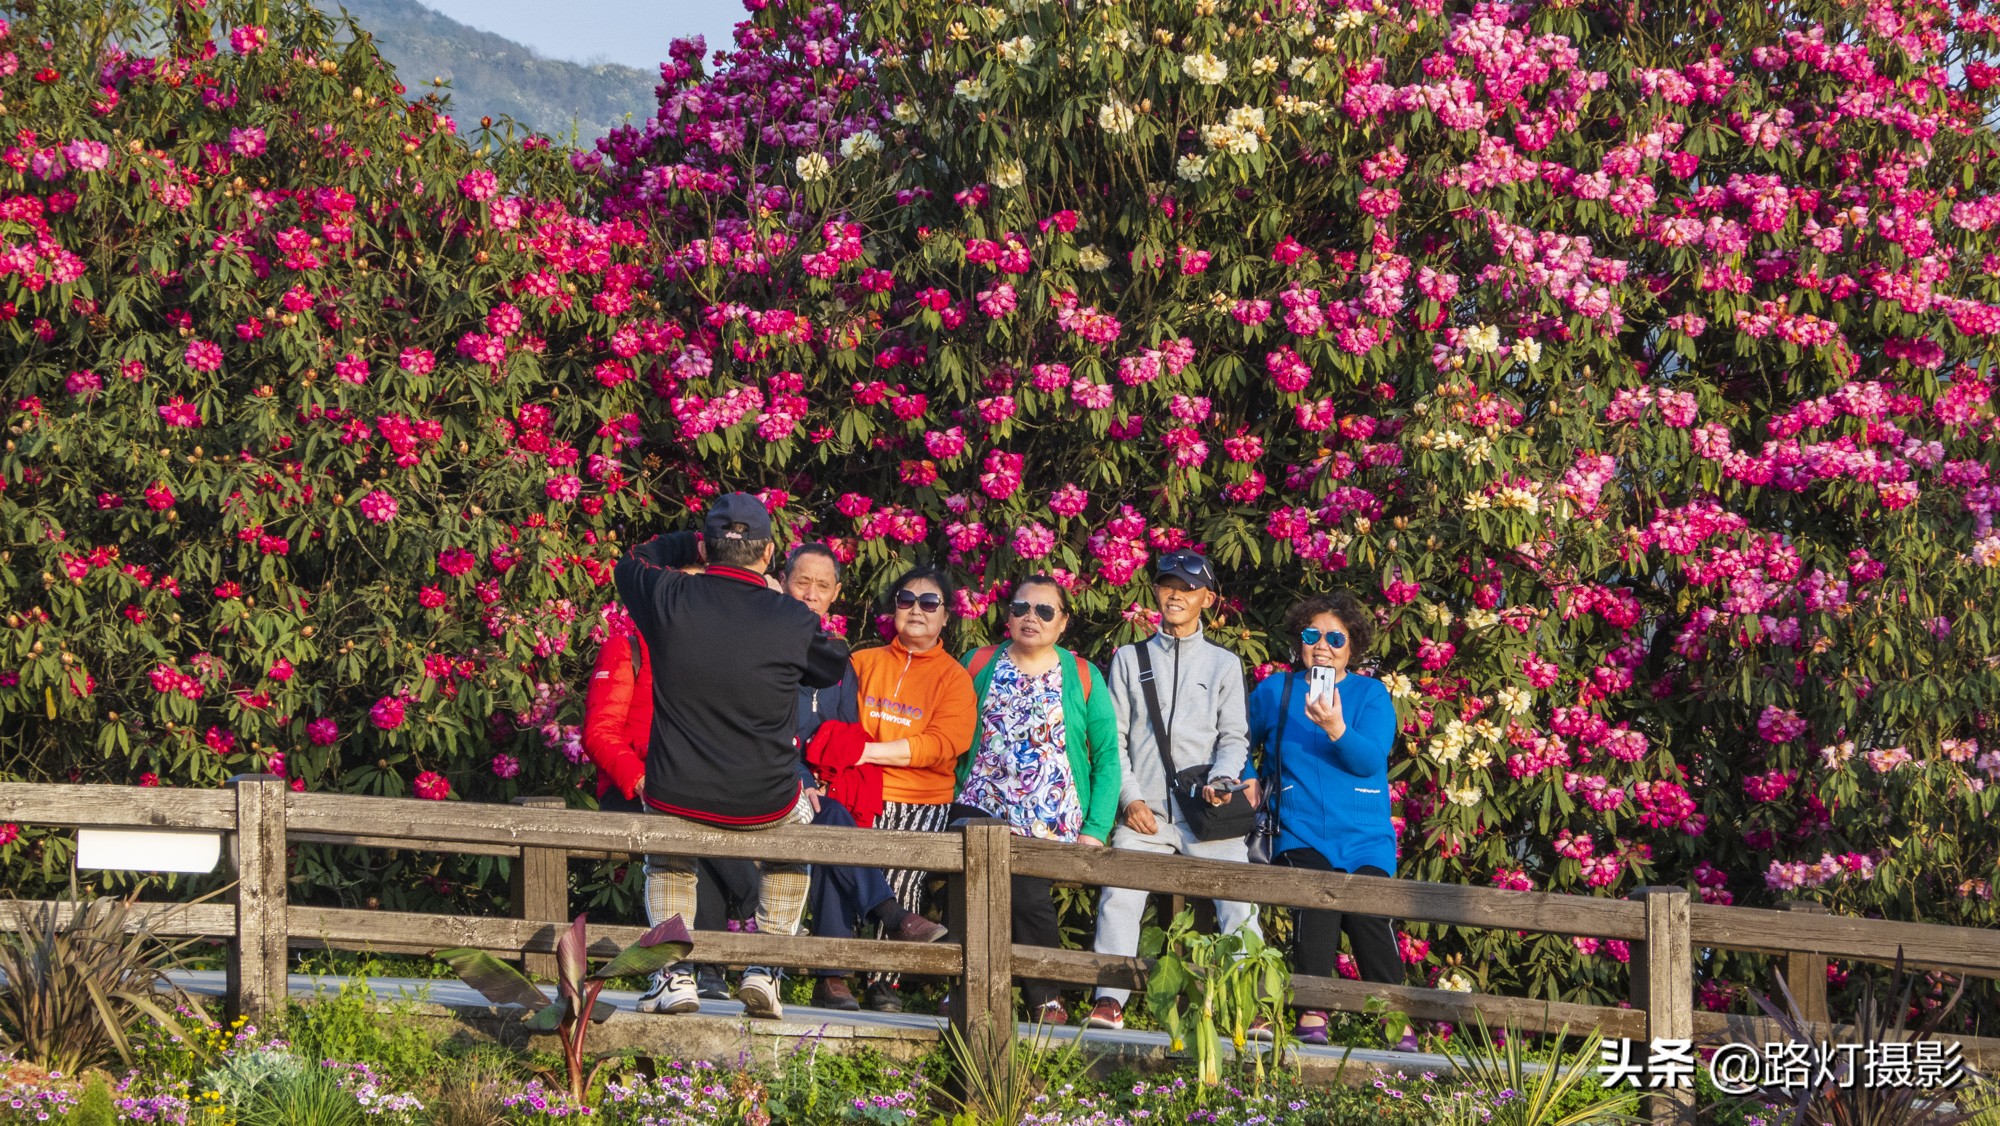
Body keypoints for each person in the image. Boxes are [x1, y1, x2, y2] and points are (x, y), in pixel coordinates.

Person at [612, 492, 851, 1021]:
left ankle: (672, 977)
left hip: (678, 790)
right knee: (794, 842)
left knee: (668, 859)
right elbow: (832, 664)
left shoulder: (668, 595)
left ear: (707, 547)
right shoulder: (790, 617)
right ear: (769, 555)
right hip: (764, 798)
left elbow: (632, 561)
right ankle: (765, 969)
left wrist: (688, 544)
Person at [1085, 551, 1265, 1036]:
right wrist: (1130, 800)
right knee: (1119, 896)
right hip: (1145, 816)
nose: (1176, 595)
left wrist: (1222, 782)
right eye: (1168, 585)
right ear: (1156, 592)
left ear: (1208, 598)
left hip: (1207, 816)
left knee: (1240, 903)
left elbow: (1234, 738)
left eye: (1188, 588)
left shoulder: (1225, 663)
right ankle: (1109, 999)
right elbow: (1114, 739)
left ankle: (1251, 1005)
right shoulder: (1129, 658)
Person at [780, 544, 950, 1012]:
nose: (811, 594)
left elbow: (843, 734)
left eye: (822, 585)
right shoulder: (764, 644)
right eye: (802, 582)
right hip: (772, 779)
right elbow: (762, 731)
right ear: (783, 581)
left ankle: (833, 978)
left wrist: (827, 777)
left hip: (822, 789)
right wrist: (802, 776)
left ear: (836, 593)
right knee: (833, 821)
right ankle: (888, 918)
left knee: (833, 822)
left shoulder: (840, 660)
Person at [953, 574, 1120, 1025]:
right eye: (1021, 608)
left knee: (1028, 898)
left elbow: (1107, 755)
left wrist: (1096, 829)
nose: (1031, 618)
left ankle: (1044, 995)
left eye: (1045, 611)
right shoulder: (977, 662)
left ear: (1062, 623)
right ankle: (966, 992)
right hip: (979, 801)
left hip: (1051, 814)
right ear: (1007, 616)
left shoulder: (1082, 674)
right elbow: (950, 729)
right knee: (970, 893)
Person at [580, 612, 760, 1003]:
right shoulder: (627, 650)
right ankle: (749, 915)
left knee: (698, 821)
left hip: (696, 793)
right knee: (693, 825)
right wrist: (645, 782)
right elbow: (599, 732)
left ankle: (703, 969)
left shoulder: (711, 655)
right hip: (633, 791)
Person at [1247, 590, 1401, 1046]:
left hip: (1364, 837)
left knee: (1370, 915)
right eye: (1313, 635)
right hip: (1300, 831)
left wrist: (1335, 726)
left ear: (1352, 646)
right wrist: (1247, 778)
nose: (1323, 646)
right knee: (1317, 902)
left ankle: (1394, 1018)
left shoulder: (1371, 694)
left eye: (1336, 638)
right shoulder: (1276, 690)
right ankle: (1312, 1009)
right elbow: (1235, 740)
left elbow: (1369, 761)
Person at [847, 565, 979, 1012]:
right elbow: (838, 722)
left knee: (901, 879)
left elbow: (942, 745)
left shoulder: (954, 678)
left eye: (929, 602)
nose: (916, 610)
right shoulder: (863, 662)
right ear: (894, 610)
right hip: (859, 789)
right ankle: (835, 972)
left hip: (920, 797)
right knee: (841, 867)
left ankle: (884, 982)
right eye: (906, 600)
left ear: (946, 617)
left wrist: (870, 752)